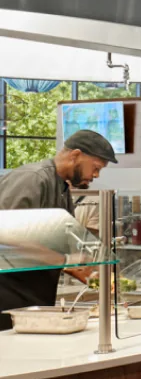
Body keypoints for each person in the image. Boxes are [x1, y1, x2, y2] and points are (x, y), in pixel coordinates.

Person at [0, 130, 117, 330]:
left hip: (35, 296)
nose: (96, 175)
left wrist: (89, 272)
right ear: (75, 155)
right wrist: (66, 262)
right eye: (96, 168)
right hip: (8, 296)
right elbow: (6, 235)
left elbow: (62, 244)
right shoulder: (32, 178)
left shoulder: (62, 188)